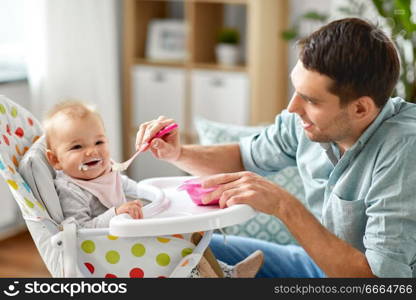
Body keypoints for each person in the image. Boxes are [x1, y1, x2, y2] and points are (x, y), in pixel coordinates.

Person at [135, 18, 416, 278]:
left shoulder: (404, 149)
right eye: (297, 91)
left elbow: (381, 281)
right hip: (313, 264)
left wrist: (283, 205)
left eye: (311, 101)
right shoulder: (306, 123)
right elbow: (244, 156)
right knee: (175, 248)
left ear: (360, 108)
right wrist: (178, 153)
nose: (293, 108)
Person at [44, 100, 264, 278]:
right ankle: (205, 276)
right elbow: (80, 232)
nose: (92, 152)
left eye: (99, 142)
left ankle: (227, 272)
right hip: (108, 252)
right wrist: (116, 214)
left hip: (127, 235)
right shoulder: (71, 190)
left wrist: (149, 194)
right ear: (56, 160)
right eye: (77, 146)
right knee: (175, 246)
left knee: (190, 234)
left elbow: (128, 186)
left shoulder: (106, 171)